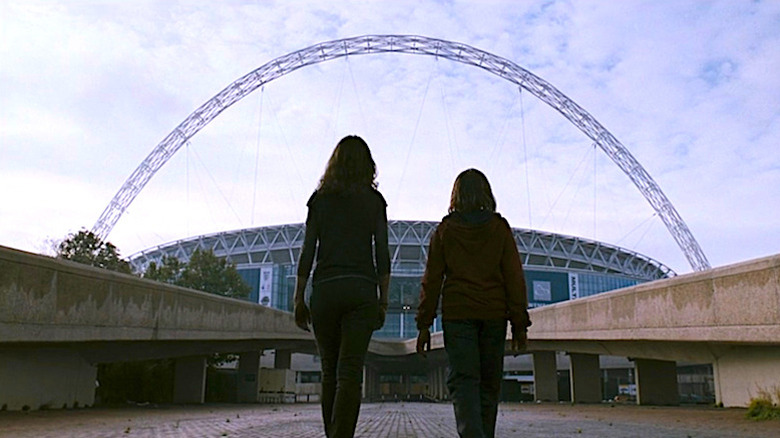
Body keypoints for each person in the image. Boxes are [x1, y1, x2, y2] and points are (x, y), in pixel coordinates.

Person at [416, 168, 531, 438]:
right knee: (489, 385)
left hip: (458, 316)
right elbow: (514, 276)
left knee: (464, 382)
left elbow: (431, 281)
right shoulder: (499, 228)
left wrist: (424, 324)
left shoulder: (445, 230)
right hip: (493, 314)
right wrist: (519, 323)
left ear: (456, 195)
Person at [294, 135, 390, 438]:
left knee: (329, 371)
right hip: (361, 290)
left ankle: (331, 435)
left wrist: (299, 298)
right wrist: (383, 300)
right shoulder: (375, 202)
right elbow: (382, 255)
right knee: (350, 372)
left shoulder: (319, 200)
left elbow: (307, 252)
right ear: (368, 165)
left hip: (325, 290)